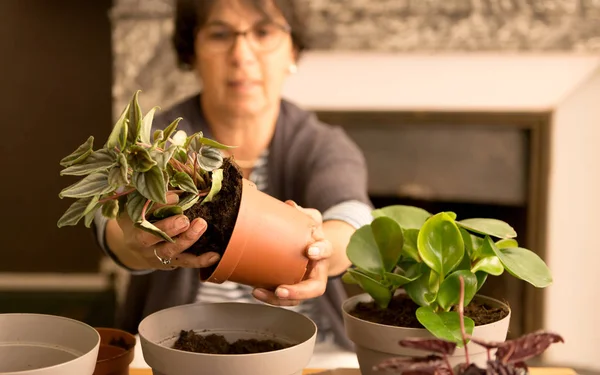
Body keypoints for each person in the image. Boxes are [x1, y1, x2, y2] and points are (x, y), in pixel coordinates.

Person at [94, 0, 373, 367]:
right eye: (220, 34)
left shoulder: (321, 144)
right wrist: (135, 241)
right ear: (191, 52)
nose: (242, 54)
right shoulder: (157, 143)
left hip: (309, 356)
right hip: (176, 355)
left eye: (264, 32)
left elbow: (352, 219)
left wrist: (321, 249)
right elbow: (111, 223)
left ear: (293, 49)